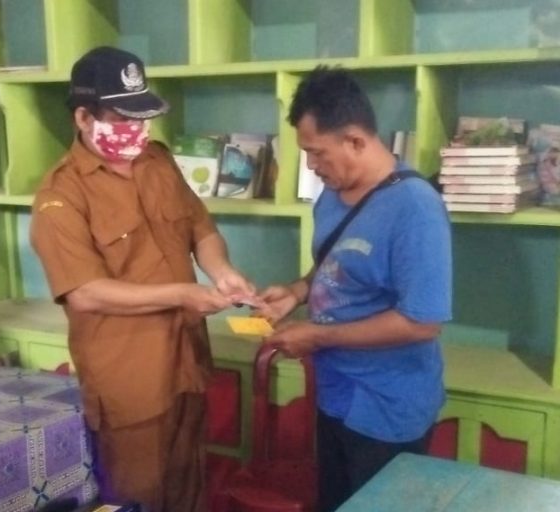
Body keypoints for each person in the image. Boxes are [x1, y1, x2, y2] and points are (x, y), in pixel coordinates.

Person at [30, 46, 256, 512]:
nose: (136, 129)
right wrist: (183, 294)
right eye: (122, 118)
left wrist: (223, 271)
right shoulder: (61, 195)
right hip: (131, 381)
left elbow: (201, 230)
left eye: (142, 117)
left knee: (190, 491)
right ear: (83, 117)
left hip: (187, 361)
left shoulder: (158, 161)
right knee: (138, 500)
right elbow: (85, 293)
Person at [258, 66, 452, 512]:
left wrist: (317, 336)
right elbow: (337, 263)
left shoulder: (415, 208)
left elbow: (422, 323)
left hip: (387, 407)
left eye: (317, 153)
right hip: (336, 393)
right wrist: (297, 291)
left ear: (355, 141)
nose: (311, 165)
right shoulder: (332, 192)